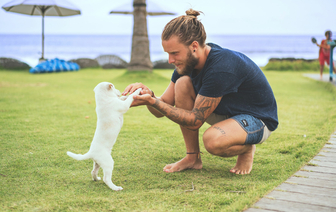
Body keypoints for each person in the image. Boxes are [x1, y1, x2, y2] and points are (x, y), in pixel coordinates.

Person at [122, 9, 278, 175]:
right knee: (182, 84)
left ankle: (246, 150)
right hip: (226, 113)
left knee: (213, 141)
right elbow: (162, 107)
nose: (170, 60)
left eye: (174, 53)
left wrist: (153, 101)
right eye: (168, 54)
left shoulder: (221, 66)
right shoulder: (186, 64)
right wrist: (149, 95)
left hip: (257, 120)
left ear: (194, 46)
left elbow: (195, 120)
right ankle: (192, 158)